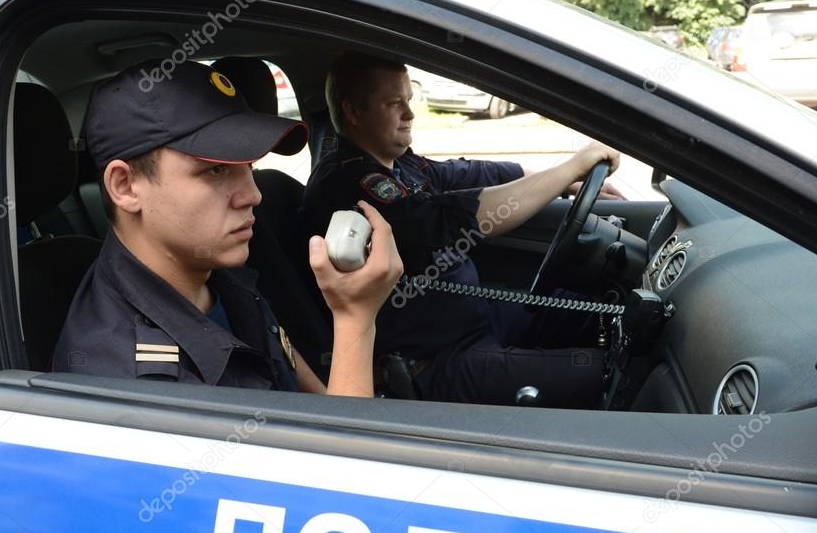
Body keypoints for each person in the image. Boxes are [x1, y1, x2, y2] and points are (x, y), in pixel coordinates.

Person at [53, 60, 402, 397]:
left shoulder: (210, 268)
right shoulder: (136, 385)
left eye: (249, 165)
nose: (253, 194)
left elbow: (310, 398)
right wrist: (355, 319)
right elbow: (337, 457)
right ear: (125, 186)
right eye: (216, 170)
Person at [301, 52, 621, 407]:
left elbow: (463, 174)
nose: (409, 113)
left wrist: (566, 179)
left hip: (476, 319)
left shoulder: (397, 161)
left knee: (607, 316)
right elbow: (452, 218)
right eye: (394, 103)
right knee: (604, 375)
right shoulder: (349, 183)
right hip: (437, 359)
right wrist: (571, 167)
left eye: (409, 99)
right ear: (353, 112)